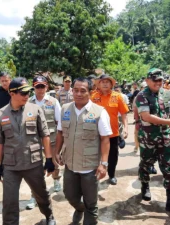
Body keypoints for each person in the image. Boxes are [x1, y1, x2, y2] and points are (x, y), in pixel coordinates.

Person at [0, 77, 56, 225]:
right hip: (10, 165)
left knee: (41, 194)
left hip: (32, 163)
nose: (27, 95)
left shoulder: (35, 109)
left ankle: (49, 215)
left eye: (28, 92)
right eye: (23, 93)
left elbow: (45, 135)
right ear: (12, 93)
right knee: (9, 201)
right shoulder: (0, 114)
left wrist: (48, 160)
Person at [54, 77, 111, 224]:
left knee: (91, 204)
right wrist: (56, 152)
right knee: (70, 195)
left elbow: (105, 139)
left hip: (89, 167)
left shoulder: (99, 112)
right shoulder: (65, 109)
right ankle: (79, 208)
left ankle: (89, 215)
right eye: (76, 90)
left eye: (83, 91)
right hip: (70, 164)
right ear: (72, 91)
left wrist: (103, 164)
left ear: (90, 92)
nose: (79, 94)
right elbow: (60, 132)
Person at [135, 68, 170, 211]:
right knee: (146, 163)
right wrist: (169, 123)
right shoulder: (142, 96)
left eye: (160, 80)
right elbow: (146, 117)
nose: (158, 83)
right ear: (147, 80)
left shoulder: (167, 94)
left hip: (165, 136)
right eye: (155, 80)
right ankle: (145, 185)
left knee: (169, 166)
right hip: (148, 137)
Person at [26, 76, 62, 210]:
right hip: (34, 141)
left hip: (51, 140)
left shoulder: (53, 102)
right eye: (37, 86)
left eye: (42, 86)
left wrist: (59, 143)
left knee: (53, 163)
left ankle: (56, 180)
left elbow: (59, 123)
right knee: (35, 169)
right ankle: (34, 196)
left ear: (47, 87)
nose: (40, 89)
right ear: (33, 87)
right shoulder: (28, 102)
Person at [91, 74, 129, 185]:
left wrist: (126, 128)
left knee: (113, 156)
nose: (105, 83)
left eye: (107, 82)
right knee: (94, 155)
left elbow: (123, 113)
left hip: (113, 133)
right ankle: (94, 175)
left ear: (111, 84)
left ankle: (111, 175)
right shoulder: (92, 96)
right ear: (98, 84)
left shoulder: (117, 96)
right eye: (102, 81)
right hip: (95, 133)